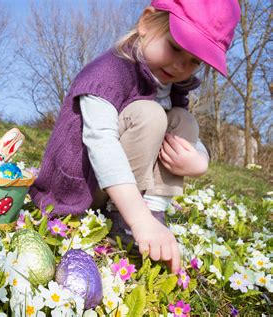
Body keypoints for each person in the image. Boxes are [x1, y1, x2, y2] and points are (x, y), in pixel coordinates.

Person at [29, 0, 240, 272]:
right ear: (146, 22)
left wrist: (200, 161)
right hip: (79, 188)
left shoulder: (171, 85)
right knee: (150, 114)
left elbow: (186, 134)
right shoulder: (108, 73)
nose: (180, 66)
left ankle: (153, 211)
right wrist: (139, 219)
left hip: (122, 193)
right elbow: (102, 143)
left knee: (181, 119)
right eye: (175, 47)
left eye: (194, 61)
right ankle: (130, 220)